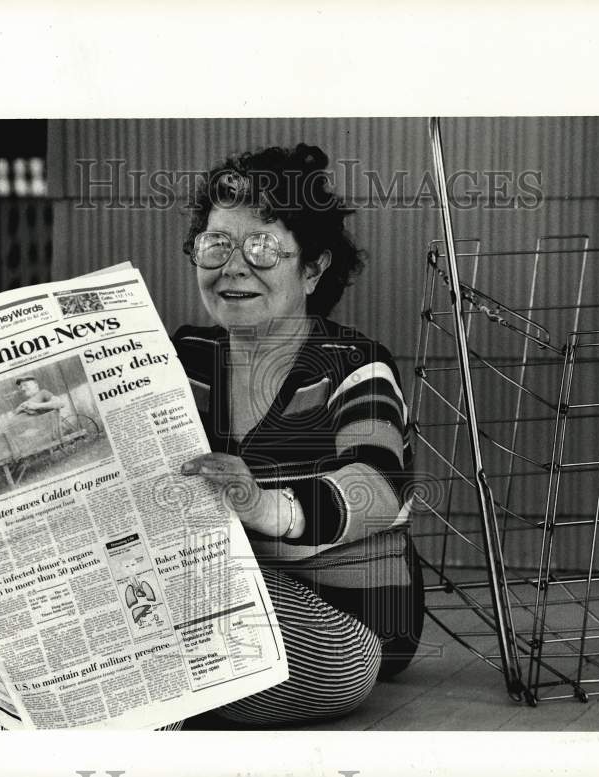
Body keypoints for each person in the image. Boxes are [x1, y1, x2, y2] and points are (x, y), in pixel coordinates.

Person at [175, 143, 424, 728]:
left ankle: (148, 702)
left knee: (344, 665)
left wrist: (265, 507)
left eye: (262, 246)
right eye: (217, 245)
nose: (233, 268)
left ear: (313, 269)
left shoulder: (353, 363)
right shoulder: (183, 356)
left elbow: (379, 484)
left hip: (343, 620)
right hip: (209, 593)